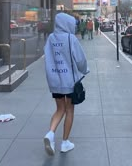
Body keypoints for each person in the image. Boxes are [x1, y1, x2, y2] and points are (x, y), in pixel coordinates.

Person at [43, 12, 89, 155]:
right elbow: (80, 59)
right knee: (69, 110)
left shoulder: (50, 38)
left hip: (55, 81)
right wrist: (84, 70)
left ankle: (50, 134)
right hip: (69, 81)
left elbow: (47, 58)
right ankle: (65, 143)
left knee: (59, 109)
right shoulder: (70, 38)